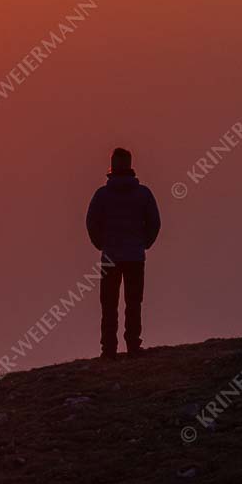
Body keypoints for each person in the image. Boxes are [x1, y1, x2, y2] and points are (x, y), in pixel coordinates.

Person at [85, 147, 161, 358]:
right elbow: (155, 222)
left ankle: (108, 349)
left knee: (108, 304)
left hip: (110, 256)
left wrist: (101, 244)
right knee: (134, 302)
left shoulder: (102, 195)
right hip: (135, 257)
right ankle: (133, 346)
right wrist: (144, 244)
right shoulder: (143, 193)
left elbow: (91, 222)